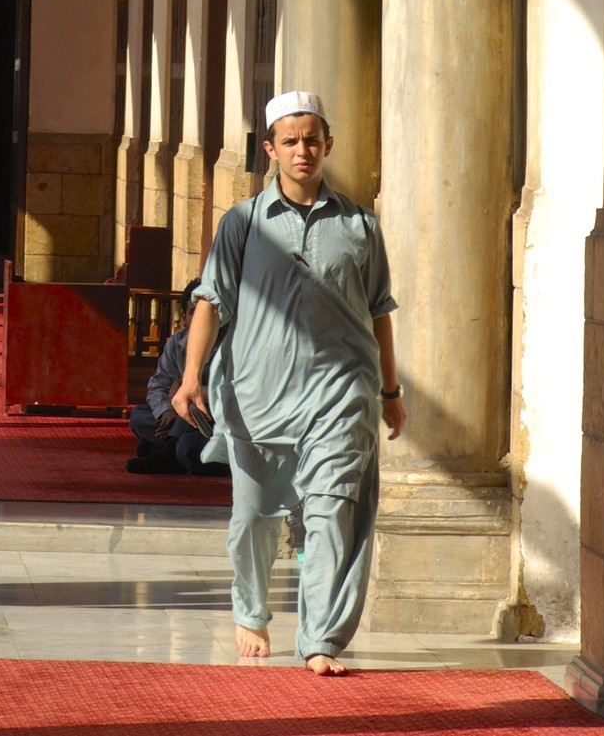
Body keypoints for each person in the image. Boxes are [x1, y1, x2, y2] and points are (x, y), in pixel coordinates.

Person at [173, 88, 405, 675]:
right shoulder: (243, 223)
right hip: (257, 396)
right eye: (291, 141)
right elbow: (210, 301)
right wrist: (191, 376)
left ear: (328, 145)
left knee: (332, 513)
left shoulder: (360, 225)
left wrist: (391, 393)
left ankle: (320, 639)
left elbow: (379, 310)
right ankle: (250, 610)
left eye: (312, 140)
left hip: (340, 395)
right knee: (253, 518)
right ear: (271, 149)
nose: (303, 151)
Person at [126, 280, 215, 476]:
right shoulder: (177, 342)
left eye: (205, 314)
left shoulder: (228, 344)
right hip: (178, 416)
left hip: (211, 419)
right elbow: (158, 385)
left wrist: (190, 392)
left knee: (189, 449)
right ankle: (171, 448)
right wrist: (166, 412)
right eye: (193, 313)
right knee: (139, 416)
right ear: (184, 317)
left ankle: (168, 450)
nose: (199, 320)